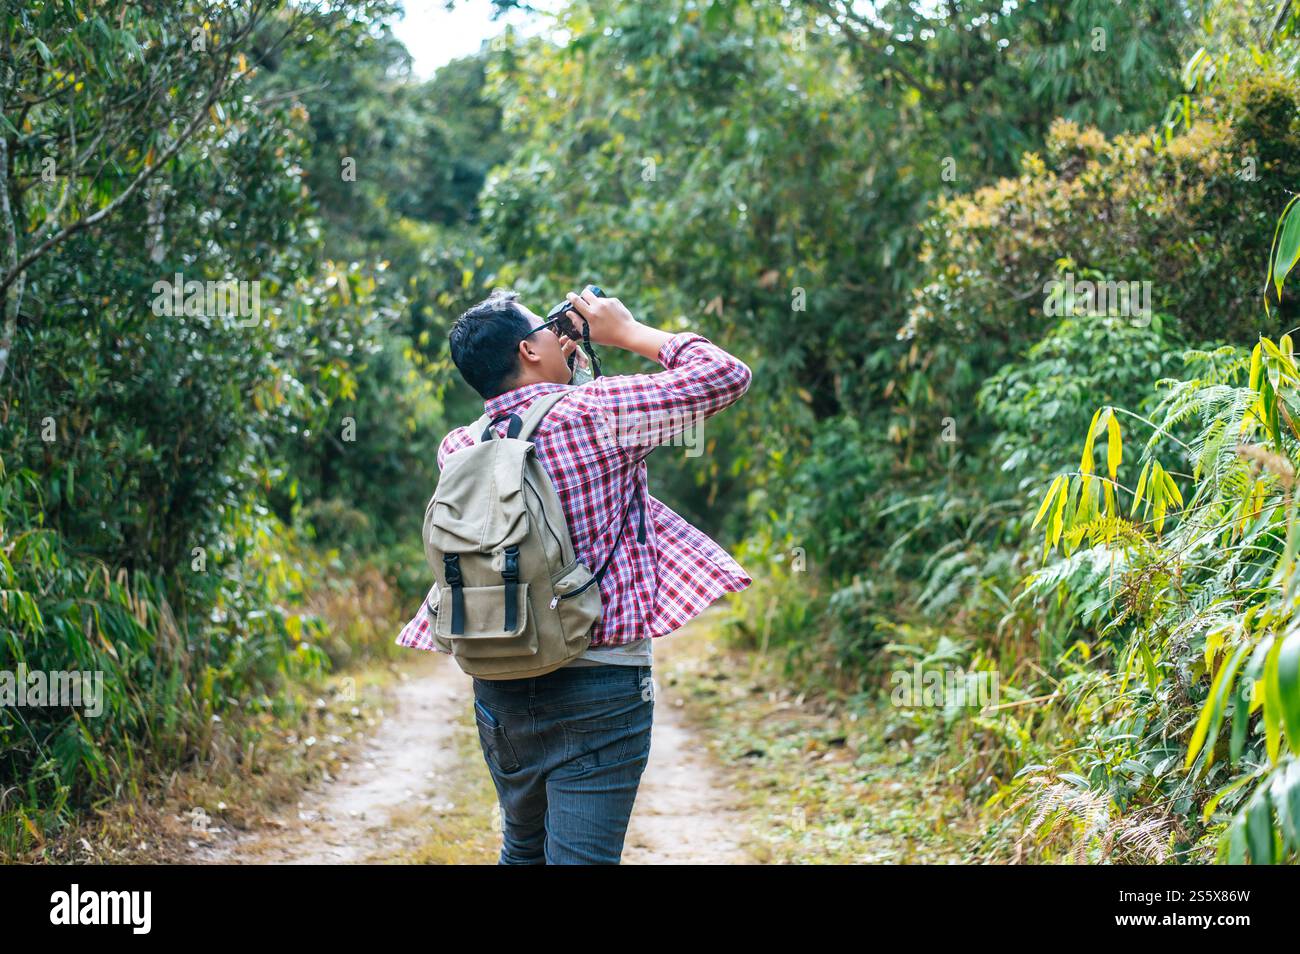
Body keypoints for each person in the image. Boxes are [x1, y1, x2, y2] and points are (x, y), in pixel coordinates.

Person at [397, 285, 752, 863]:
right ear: (528, 350)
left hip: (500, 682)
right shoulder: (598, 415)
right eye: (545, 327)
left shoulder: (459, 446)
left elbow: (543, 436)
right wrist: (626, 332)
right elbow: (725, 375)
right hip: (602, 683)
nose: (559, 332)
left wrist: (574, 370)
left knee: (522, 851)